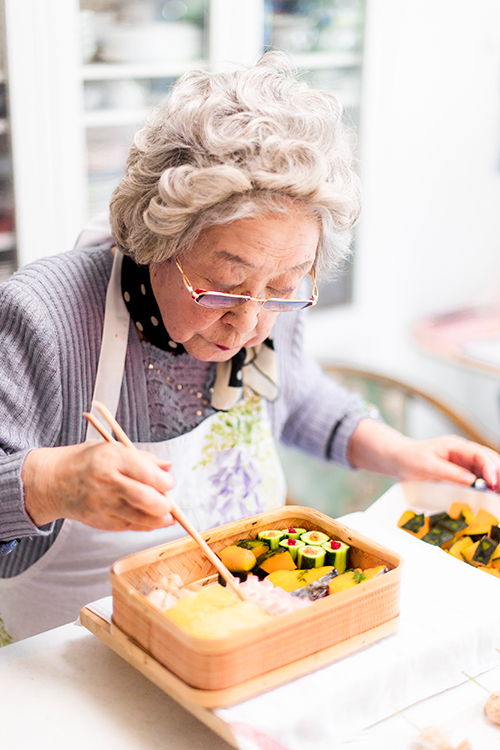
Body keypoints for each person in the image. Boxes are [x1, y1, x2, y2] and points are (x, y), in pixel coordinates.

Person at [0, 53, 498, 645]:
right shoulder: (43, 316)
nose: (249, 323)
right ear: (155, 239)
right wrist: (50, 482)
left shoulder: (271, 296)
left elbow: (299, 395)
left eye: (283, 289)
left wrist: (403, 454)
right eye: (222, 289)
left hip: (238, 628)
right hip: (69, 656)